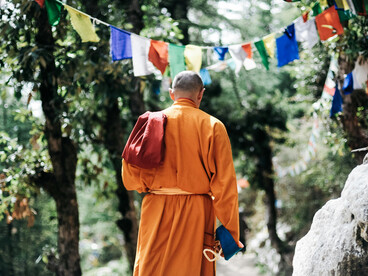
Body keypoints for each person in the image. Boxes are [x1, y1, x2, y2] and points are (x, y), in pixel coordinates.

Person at [122, 71, 242, 276]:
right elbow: (225, 186)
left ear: (171, 94)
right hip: (196, 212)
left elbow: (130, 177)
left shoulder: (150, 123)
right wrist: (230, 234)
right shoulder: (213, 126)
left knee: (153, 268)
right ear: (200, 95)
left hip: (156, 209)